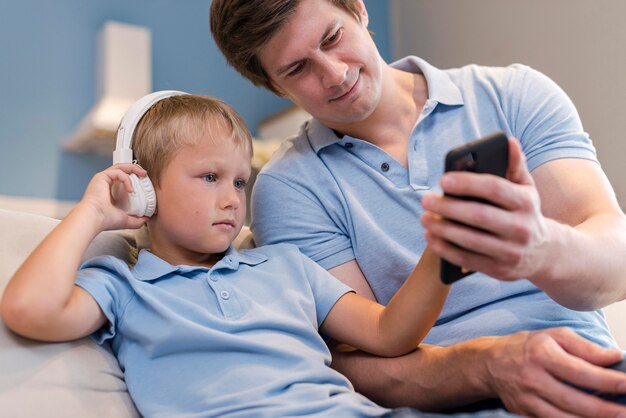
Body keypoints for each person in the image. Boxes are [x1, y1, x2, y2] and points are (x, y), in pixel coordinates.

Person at [209, 0, 626, 416]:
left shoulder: (513, 96)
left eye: (333, 38)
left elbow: (617, 268)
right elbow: (353, 364)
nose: (335, 75)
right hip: (447, 403)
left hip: (583, 376)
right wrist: (486, 366)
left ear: (357, 8)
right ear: (276, 86)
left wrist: (540, 248)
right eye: (297, 69)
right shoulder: (291, 187)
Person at [1, 91, 513, 417]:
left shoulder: (285, 266)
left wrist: (443, 250)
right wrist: (91, 213)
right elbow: (29, 310)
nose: (232, 198)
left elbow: (390, 333)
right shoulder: (121, 284)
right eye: (209, 178)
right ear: (144, 188)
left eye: (241, 181)